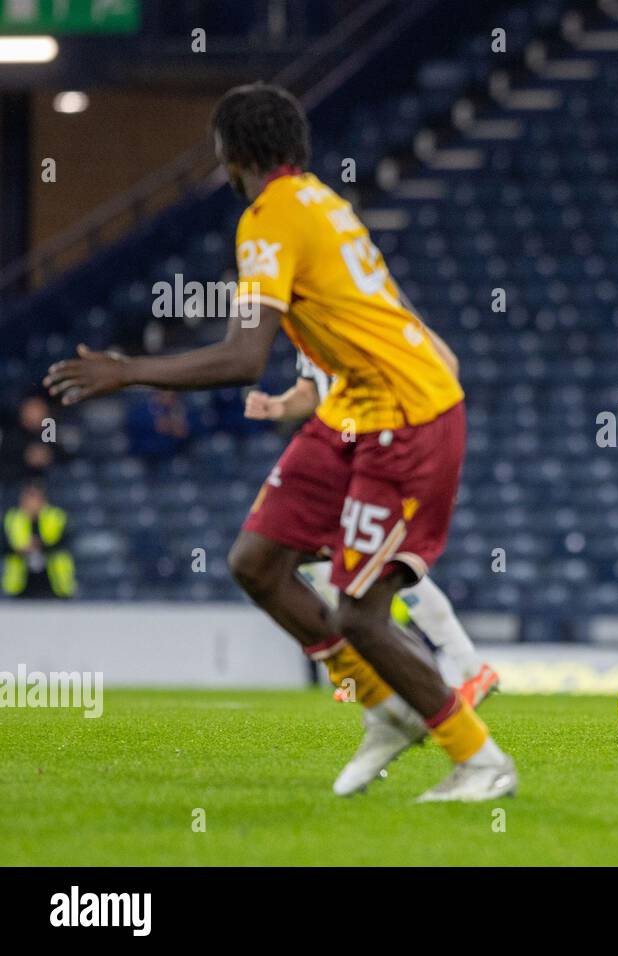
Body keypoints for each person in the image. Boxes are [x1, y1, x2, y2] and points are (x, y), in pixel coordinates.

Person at [44, 82, 514, 801]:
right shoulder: (323, 201)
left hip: (403, 417)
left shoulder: (268, 219)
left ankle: (478, 757)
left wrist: (127, 370)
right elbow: (380, 305)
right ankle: (384, 708)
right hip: (356, 409)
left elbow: (242, 358)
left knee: (359, 611)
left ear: (231, 154)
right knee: (258, 561)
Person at [244, 351, 501, 792]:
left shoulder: (358, 312)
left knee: (372, 576)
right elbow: (310, 390)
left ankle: (440, 681)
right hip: (336, 453)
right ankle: (393, 690)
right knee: (332, 575)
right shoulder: (312, 333)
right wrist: (279, 407)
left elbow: (442, 364)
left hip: (382, 449)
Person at [3, 481, 76, 599]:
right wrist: (21, 549)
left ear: (43, 499)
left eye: (34, 497)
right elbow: (4, 546)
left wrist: (40, 545)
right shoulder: (12, 519)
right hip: (20, 586)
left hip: (55, 585)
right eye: (27, 497)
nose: (31, 502)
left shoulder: (57, 517)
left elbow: (65, 543)